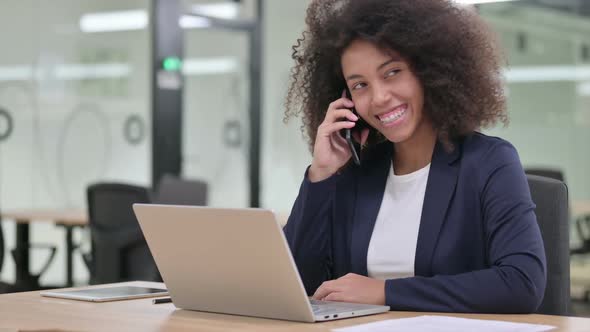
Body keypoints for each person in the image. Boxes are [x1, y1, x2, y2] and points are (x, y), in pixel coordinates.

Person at [283, 0, 546, 313]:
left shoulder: (488, 161)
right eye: (360, 85)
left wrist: (384, 291)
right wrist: (321, 173)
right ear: (347, 100)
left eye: (392, 72)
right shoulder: (356, 174)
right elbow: (298, 287)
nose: (379, 97)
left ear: (428, 69)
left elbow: (521, 284)